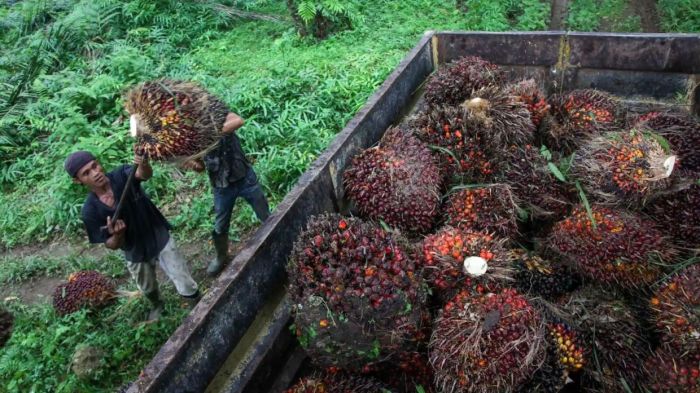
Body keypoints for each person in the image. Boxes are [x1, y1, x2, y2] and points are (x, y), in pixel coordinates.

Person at [65, 151, 199, 320]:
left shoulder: (121, 175)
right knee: (147, 287)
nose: (96, 173)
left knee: (182, 277)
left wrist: (142, 163)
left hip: (156, 234)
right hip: (134, 249)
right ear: (78, 181)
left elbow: (143, 174)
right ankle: (157, 304)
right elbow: (111, 244)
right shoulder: (90, 211)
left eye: (95, 166)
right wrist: (118, 235)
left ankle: (196, 304)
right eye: (86, 173)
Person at [182, 112, 270, 276]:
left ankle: (275, 237)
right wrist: (193, 164)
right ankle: (221, 256)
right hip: (221, 186)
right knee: (220, 225)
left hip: (244, 176)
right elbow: (200, 167)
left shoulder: (216, 113)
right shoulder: (190, 139)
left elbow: (238, 120)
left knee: (264, 213)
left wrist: (209, 134)